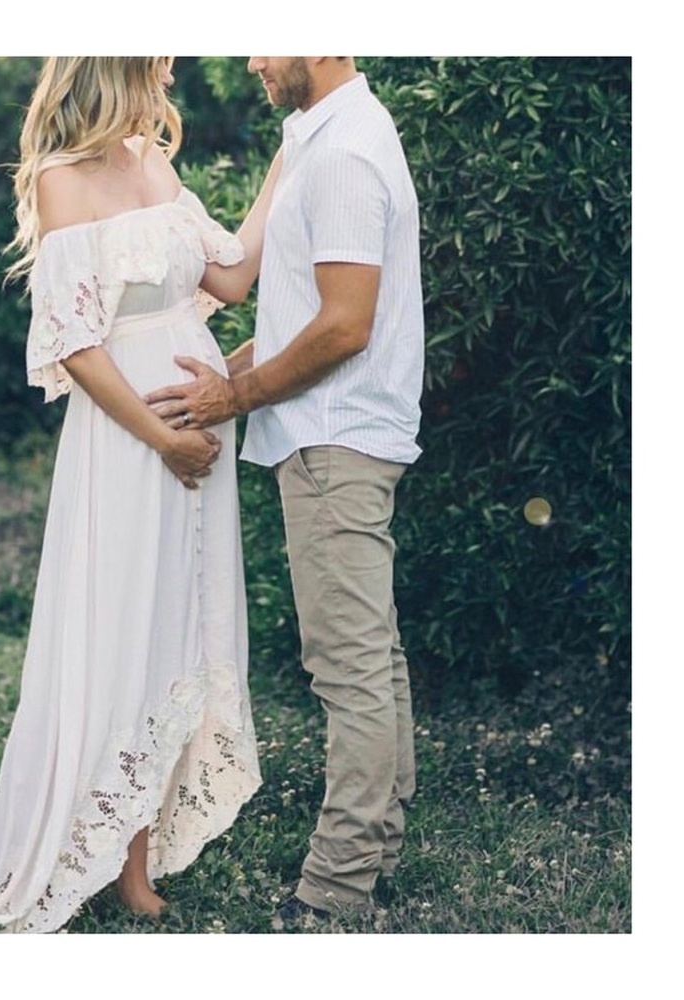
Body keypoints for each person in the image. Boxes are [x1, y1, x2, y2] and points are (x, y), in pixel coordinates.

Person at [0, 56, 281, 933]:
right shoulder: (59, 180)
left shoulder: (150, 160)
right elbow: (77, 344)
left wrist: (292, 155)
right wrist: (161, 436)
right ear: (120, 65)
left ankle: (141, 847)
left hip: (197, 418)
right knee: (126, 624)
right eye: (158, 61)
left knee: (181, 623)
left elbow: (231, 279)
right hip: (128, 439)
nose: (170, 75)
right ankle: (112, 859)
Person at [146, 57, 424, 922]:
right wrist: (221, 377)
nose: (256, 63)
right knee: (371, 658)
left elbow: (344, 324)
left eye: (265, 41)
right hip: (332, 433)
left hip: (336, 438)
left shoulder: (344, 154)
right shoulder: (321, 139)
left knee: (348, 669)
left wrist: (233, 396)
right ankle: (375, 848)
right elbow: (300, 312)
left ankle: (337, 891)